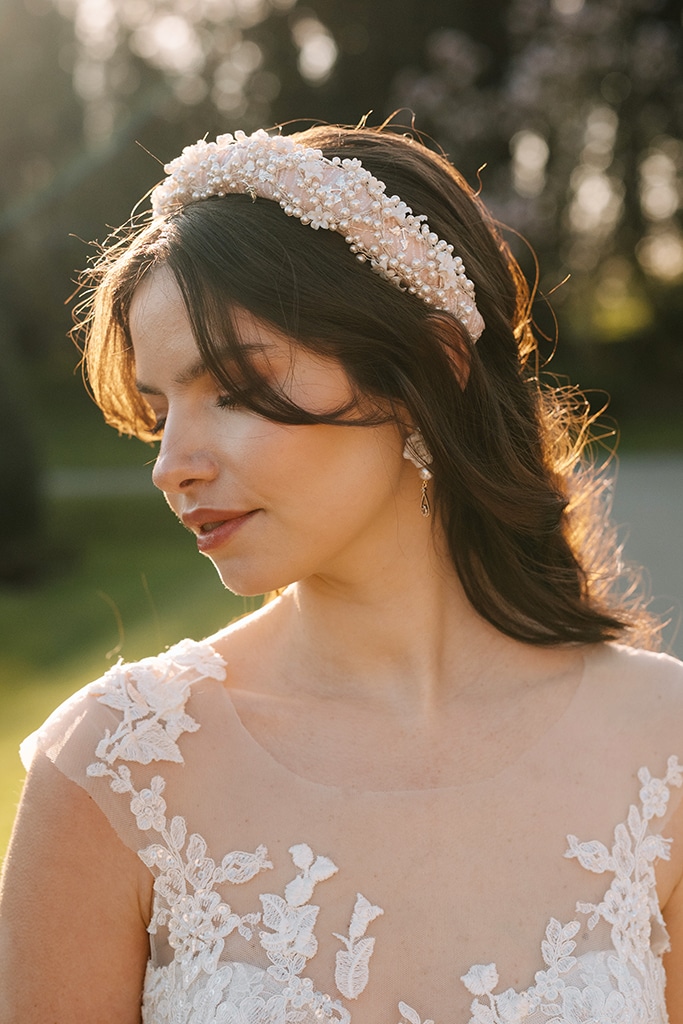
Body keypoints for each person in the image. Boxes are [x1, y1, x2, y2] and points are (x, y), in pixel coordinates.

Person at [1, 123, 682, 1024]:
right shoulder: (115, 772)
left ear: (428, 371)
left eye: (236, 389)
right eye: (161, 409)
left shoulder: (659, 747)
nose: (172, 465)